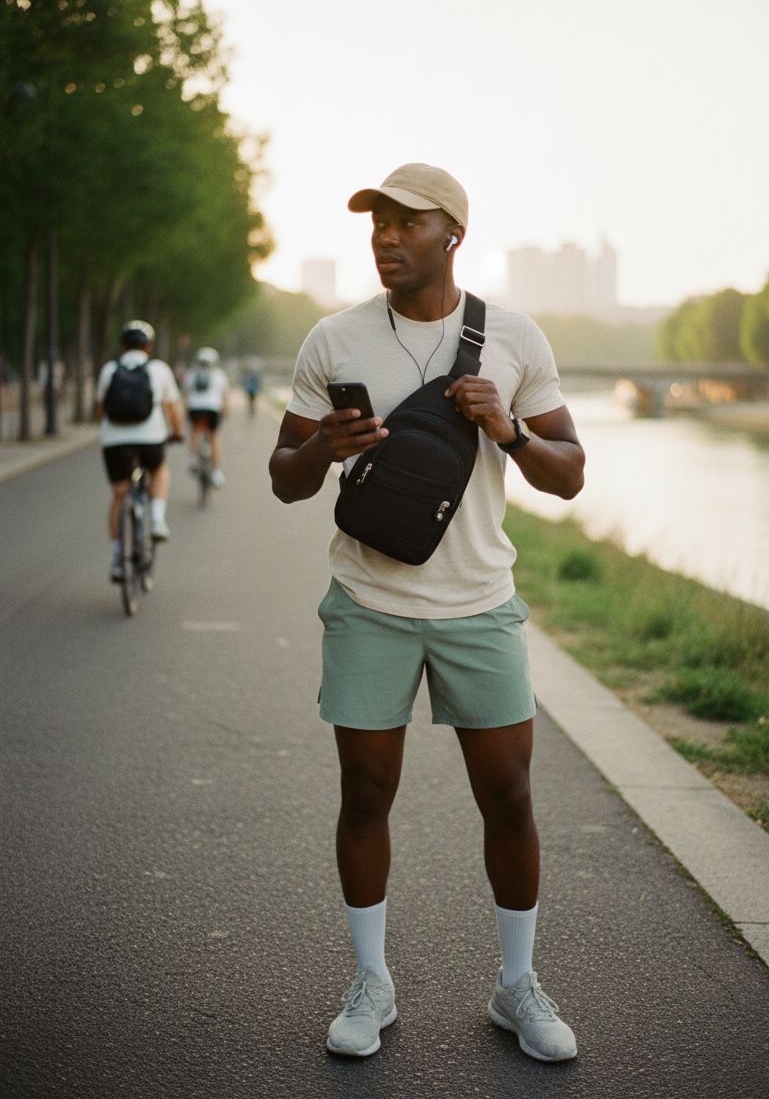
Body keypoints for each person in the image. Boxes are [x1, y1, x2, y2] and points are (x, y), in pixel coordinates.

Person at [268, 163, 585, 1063]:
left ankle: (516, 986)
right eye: (377, 224)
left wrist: (511, 430)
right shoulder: (333, 340)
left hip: (481, 605)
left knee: (511, 797)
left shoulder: (513, 337)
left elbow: (570, 471)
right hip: (369, 602)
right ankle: (372, 983)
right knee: (366, 793)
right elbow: (283, 480)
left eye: (407, 224)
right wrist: (323, 448)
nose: (386, 238)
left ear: (452, 233)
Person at [96, 320, 183, 581]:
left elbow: (100, 411)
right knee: (159, 470)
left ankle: (116, 559)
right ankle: (157, 519)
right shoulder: (159, 369)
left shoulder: (109, 369)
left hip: (114, 441)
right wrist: (177, 432)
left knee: (119, 495)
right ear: (149, 346)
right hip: (151, 438)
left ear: (122, 346)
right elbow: (172, 409)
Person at [184, 347, 230, 488]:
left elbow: (186, 395)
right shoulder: (219, 375)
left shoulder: (191, 373)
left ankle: (192, 459)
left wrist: (187, 412)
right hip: (212, 409)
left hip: (195, 409)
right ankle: (216, 473)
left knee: (196, 431)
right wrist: (225, 412)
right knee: (214, 436)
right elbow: (225, 397)